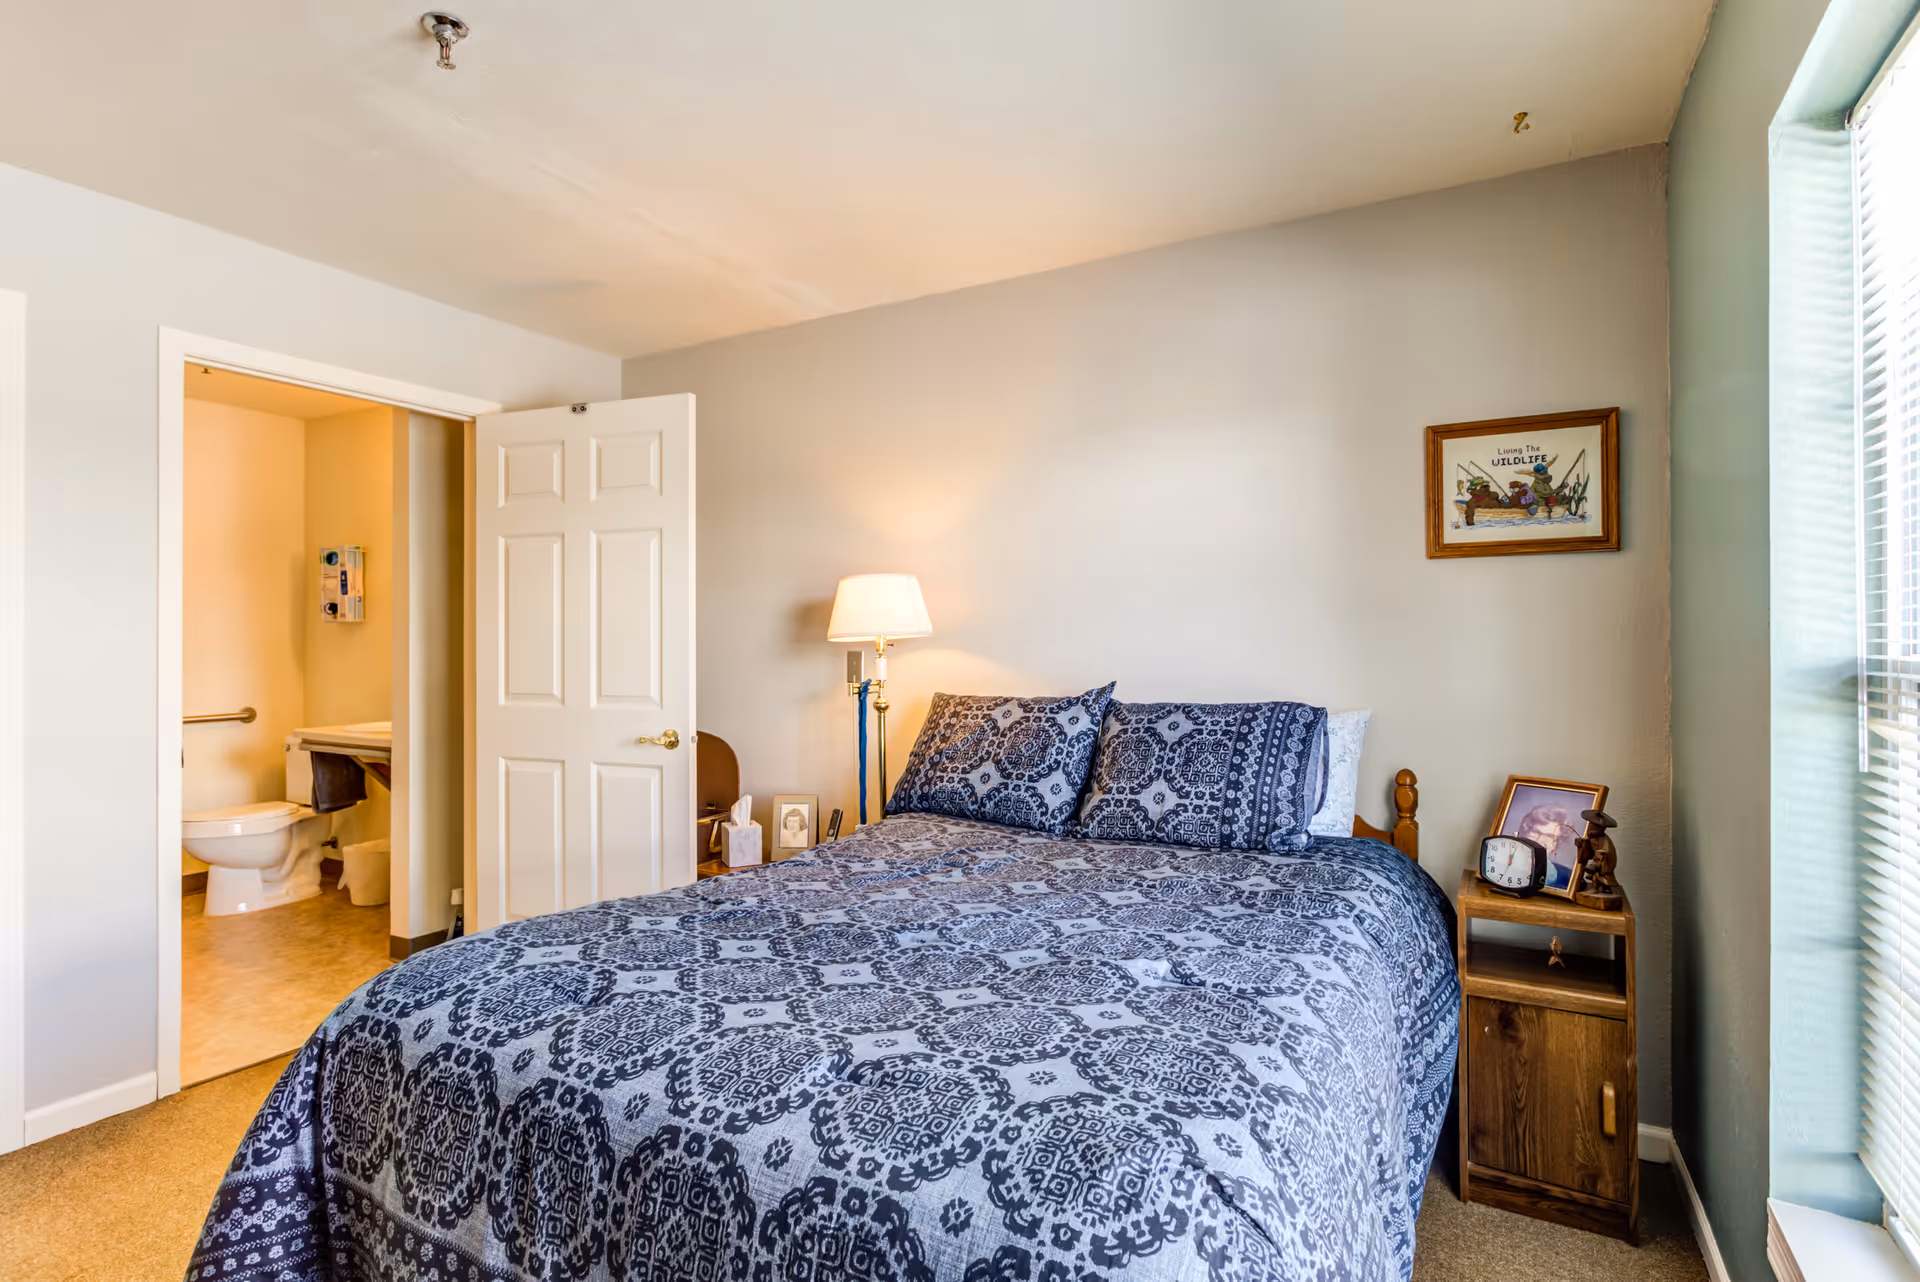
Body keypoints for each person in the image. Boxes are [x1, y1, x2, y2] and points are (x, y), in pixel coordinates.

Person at [1516, 804, 1578, 888]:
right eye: (1535, 832)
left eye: (1549, 836)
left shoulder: (1568, 878)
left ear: (1557, 843)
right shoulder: (1501, 862)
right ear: (1525, 832)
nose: (1540, 841)